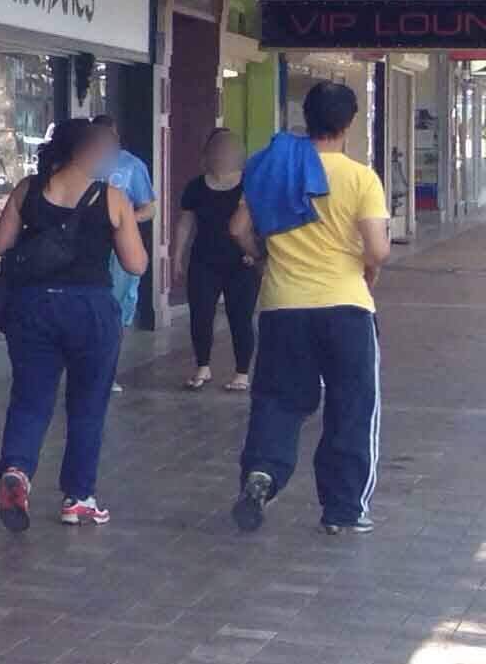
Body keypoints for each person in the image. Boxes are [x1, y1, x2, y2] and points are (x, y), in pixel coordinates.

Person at [230, 80, 391, 537]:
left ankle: (262, 472)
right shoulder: (360, 178)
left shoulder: (274, 169)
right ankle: (343, 510)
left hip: (283, 307)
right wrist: (365, 262)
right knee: (352, 406)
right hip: (346, 309)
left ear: (307, 118)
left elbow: (238, 228)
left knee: (278, 401)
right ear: (348, 124)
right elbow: (378, 249)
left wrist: (264, 253)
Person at [0, 116, 148, 530]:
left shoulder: (28, 189)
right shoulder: (111, 197)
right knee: (88, 403)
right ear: (90, 151)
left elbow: (0, 244)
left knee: (29, 396)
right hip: (90, 308)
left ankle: (18, 470)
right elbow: (135, 263)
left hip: (32, 307)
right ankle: (78, 497)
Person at [171, 129, 258, 392]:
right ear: (208, 154)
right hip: (204, 259)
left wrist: (255, 252)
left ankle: (242, 372)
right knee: (200, 314)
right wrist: (177, 255)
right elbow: (185, 223)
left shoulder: (249, 185)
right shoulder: (196, 187)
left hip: (241, 262)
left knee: (240, 316)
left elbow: (260, 222)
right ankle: (203, 367)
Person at [92, 114, 155, 382]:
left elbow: (149, 207)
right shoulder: (80, 164)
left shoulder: (131, 165)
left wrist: (125, 223)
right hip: (87, 247)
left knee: (117, 307)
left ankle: (108, 371)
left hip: (119, 248)